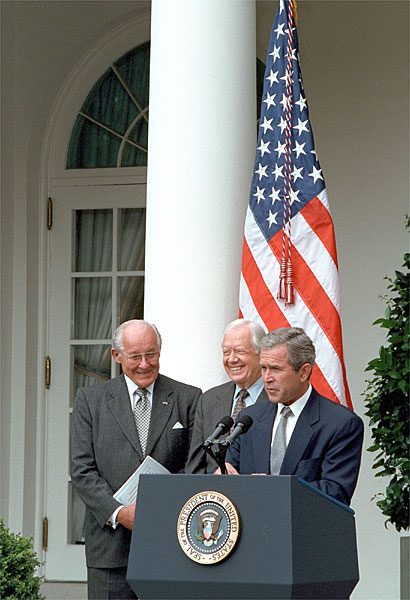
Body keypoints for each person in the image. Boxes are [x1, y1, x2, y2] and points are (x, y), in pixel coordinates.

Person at [70, 319, 201, 600]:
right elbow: (82, 470)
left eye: (151, 354)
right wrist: (119, 512)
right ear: (116, 356)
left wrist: (158, 508)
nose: (144, 364)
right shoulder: (90, 400)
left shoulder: (187, 397)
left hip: (172, 542)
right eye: (135, 356)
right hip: (110, 547)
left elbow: (193, 466)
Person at [223, 327, 364, 506]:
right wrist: (222, 475)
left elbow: (336, 491)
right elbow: (231, 470)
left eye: (275, 369)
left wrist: (274, 489)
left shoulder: (341, 424)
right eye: (264, 368)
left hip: (304, 530)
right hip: (252, 529)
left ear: (304, 372)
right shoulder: (249, 418)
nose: (266, 378)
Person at [185, 318, 268, 474]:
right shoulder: (208, 400)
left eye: (240, 351)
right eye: (226, 352)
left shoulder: (277, 399)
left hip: (260, 494)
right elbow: (195, 468)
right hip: (215, 495)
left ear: (261, 353)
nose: (231, 359)